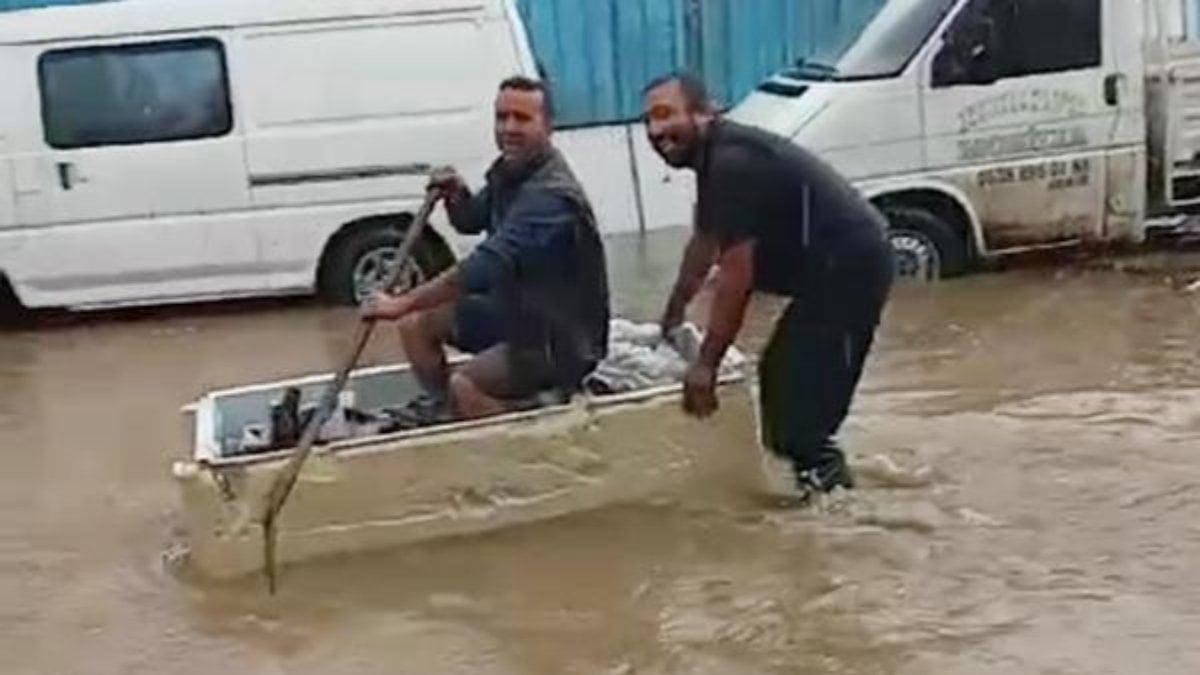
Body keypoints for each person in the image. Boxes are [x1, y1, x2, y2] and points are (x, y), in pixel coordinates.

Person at [642, 72, 894, 499]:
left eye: (666, 115)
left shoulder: (731, 163)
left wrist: (707, 364)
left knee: (800, 424)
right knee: (779, 392)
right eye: (648, 120)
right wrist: (670, 316)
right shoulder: (716, 160)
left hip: (851, 272)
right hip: (828, 278)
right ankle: (824, 502)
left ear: (705, 113)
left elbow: (735, 276)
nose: (655, 130)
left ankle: (845, 526)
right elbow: (704, 244)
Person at [363, 76, 610, 421]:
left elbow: (484, 266)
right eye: (501, 117)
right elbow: (471, 219)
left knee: (465, 384)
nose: (508, 128)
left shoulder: (551, 195)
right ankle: (449, 415)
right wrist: (456, 194)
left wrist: (403, 300)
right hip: (514, 315)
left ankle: (531, 421)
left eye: (522, 119)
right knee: (414, 324)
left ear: (548, 126)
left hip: (557, 340)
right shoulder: (509, 169)